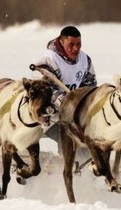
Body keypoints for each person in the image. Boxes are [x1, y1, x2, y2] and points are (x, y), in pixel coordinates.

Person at [34, 26, 97, 154]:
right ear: (62, 42)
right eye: (71, 44)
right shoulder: (48, 60)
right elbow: (43, 90)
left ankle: (92, 167)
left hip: (75, 116)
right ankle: (67, 168)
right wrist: (67, 102)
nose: (76, 49)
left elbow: (90, 85)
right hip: (50, 117)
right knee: (70, 140)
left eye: (78, 44)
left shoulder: (85, 60)